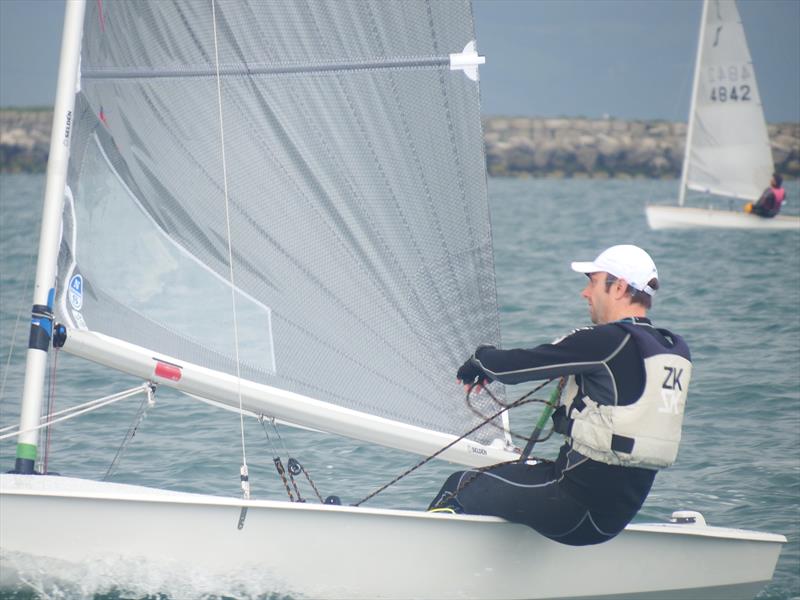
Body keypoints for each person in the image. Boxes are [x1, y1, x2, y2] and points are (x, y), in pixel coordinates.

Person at [429, 244, 692, 546]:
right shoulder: (672, 349)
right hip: (617, 514)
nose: (585, 292)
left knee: (459, 487)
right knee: (516, 476)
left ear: (618, 287)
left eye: (592, 282)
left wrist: (480, 360)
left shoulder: (608, 342)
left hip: (574, 507)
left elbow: (517, 367)